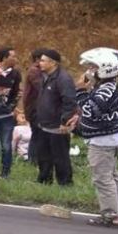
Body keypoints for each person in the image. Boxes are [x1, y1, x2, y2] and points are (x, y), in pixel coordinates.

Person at [73, 47, 118, 227]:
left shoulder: (106, 90)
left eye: (93, 67)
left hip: (103, 142)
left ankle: (111, 215)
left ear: (106, 68)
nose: (90, 70)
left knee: (103, 178)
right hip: (111, 138)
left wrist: (81, 91)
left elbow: (92, 112)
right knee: (112, 175)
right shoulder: (106, 86)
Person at [34, 49, 76, 185]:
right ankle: (44, 181)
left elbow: (69, 101)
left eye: (42, 60)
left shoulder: (63, 79)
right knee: (43, 157)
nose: (39, 63)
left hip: (58, 127)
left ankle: (65, 184)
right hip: (43, 125)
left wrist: (65, 121)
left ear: (53, 63)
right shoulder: (44, 76)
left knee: (61, 157)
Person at [0, 47, 21, 178]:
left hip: (7, 117)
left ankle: (5, 174)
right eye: (13, 56)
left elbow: (17, 92)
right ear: (5, 58)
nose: (16, 59)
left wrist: (11, 106)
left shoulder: (16, 74)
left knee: (6, 146)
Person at [22, 48, 47, 165]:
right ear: (37, 59)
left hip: (38, 108)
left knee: (39, 134)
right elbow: (41, 87)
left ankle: (35, 159)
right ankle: (33, 159)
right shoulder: (34, 71)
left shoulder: (40, 71)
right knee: (37, 134)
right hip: (34, 109)